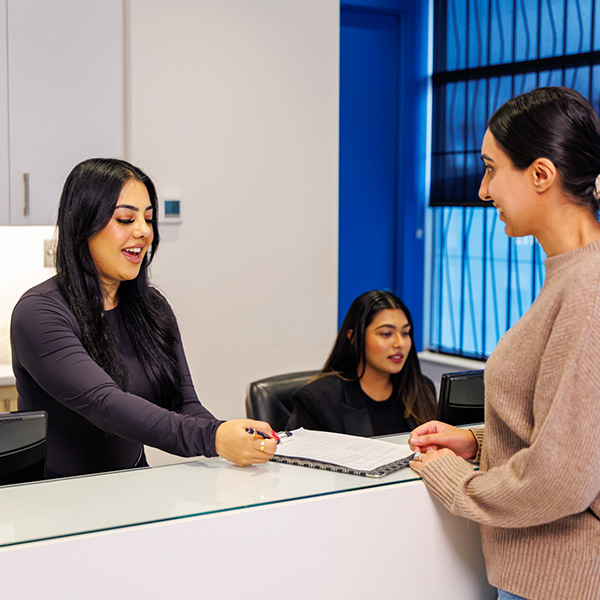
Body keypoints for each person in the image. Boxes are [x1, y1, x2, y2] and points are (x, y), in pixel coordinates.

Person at [409, 87, 600, 600]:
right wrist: (478, 443)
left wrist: (456, 480)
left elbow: (563, 478)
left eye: (491, 169)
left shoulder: (588, 288)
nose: (481, 190)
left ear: (541, 175)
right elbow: (576, 434)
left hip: (564, 583)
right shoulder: (569, 276)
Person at [10, 158, 277, 479]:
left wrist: (232, 436)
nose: (143, 231)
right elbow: (105, 405)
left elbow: (183, 404)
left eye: (148, 219)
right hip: (55, 495)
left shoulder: (152, 307)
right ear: (79, 223)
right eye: (125, 219)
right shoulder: (39, 313)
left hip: (133, 485)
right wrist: (214, 438)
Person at [287, 290, 436, 436]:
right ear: (353, 338)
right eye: (386, 333)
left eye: (405, 333)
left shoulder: (423, 389)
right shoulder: (318, 398)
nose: (400, 343)